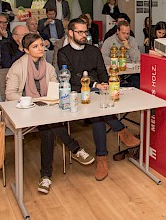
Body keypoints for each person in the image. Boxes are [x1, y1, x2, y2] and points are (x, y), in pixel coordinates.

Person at [5, 33, 93, 194]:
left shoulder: (49, 67)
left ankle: (46, 176)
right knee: (49, 125)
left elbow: (54, 89)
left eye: (41, 45)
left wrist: (50, 99)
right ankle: (74, 149)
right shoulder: (17, 67)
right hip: (25, 110)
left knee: (47, 127)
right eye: (35, 46)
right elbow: (10, 94)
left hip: (46, 108)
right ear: (26, 50)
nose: (41, 49)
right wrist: (31, 100)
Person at [57, 18, 140, 181]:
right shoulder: (63, 53)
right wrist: (95, 84)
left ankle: (102, 158)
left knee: (98, 114)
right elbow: (72, 78)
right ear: (71, 33)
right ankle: (121, 131)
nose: (83, 35)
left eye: (85, 32)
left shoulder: (93, 50)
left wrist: (105, 84)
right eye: (79, 32)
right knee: (98, 111)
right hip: (77, 93)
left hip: (98, 91)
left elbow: (102, 71)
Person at [101, 20, 141, 88]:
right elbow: (103, 58)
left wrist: (128, 47)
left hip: (131, 73)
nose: (126, 36)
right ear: (118, 31)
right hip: (115, 72)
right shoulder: (109, 41)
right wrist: (119, 62)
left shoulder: (132, 40)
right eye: (123, 33)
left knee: (138, 82)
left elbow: (138, 58)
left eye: (128, 33)